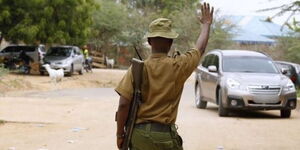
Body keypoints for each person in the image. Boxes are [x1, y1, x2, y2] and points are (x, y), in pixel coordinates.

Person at [115, 3, 214, 150]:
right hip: (165, 138)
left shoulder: (136, 69)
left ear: (149, 42)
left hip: (139, 136)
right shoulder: (178, 66)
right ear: (170, 42)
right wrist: (206, 24)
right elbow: (200, 48)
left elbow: (123, 104)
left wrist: (120, 135)